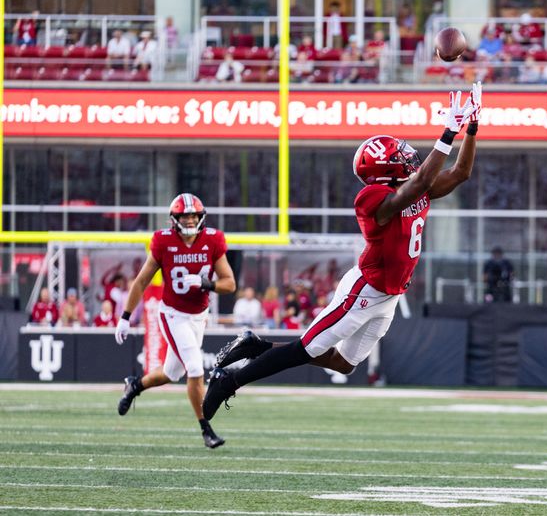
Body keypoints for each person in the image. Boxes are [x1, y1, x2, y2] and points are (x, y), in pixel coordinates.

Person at [203, 84, 483, 420]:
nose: (407, 157)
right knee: (306, 348)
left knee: (344, 364)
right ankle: (229, 381)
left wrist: (473, 128)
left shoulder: (413, 188)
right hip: (364, 290)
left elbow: (461, 173)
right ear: (383, 170)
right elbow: (421, 183)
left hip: (390, 295)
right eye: (398, 157)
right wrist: (449, 130)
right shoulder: (373, 199)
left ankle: (255, 346)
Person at [114, 193, 236, 448]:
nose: (190, 220)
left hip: (198, 316)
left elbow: (229, 284)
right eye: (184, 216)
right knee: (194, 368)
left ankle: (134, 385)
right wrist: (125, 316)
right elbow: (142, 280)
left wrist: (207, 283)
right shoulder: (163, 241)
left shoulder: (213, 239)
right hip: (173, 314)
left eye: (193, 215)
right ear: (175, 219)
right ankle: (206, 429)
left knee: (172, 372)